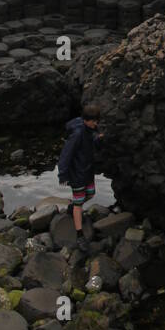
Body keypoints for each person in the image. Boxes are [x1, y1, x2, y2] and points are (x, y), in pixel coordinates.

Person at [57, 104, 101, 254]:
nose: (96, 124)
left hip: (87, 171)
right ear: (86, 120)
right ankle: (80, 235)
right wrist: (62, 174)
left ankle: (73, 207)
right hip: (77, 173)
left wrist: (97, 139)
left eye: (97, 121)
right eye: (94, 121)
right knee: (78, 203)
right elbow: (66, 154)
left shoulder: (90, 130)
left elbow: (90, 142)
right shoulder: (77, 134)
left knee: (91, 194)